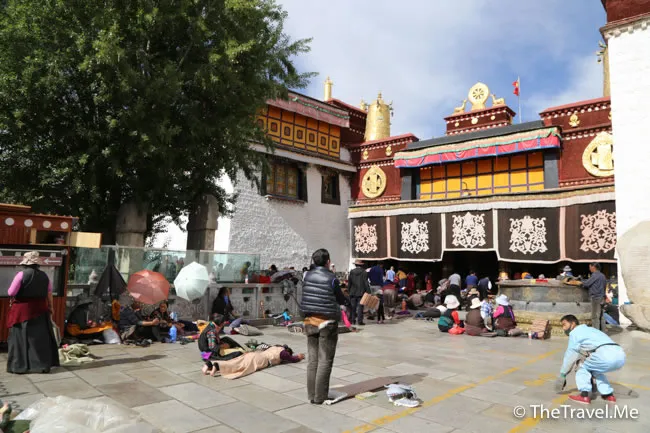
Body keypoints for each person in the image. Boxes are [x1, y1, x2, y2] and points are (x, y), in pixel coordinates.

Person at [301, 248, 346, 405]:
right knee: (325, 360)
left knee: (312, 360)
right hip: (327, 322)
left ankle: (312, 395)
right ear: (328, 261)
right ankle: (320, 396)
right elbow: (340, 298)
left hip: (309, 321)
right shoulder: (332, 278)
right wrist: (346, 303)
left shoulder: (306, 275)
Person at [6, 251, 60, 374]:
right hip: (40, 310)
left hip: (22, 312)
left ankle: (18, 366)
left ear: (25, 263)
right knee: (39, 339)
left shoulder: (21, 275)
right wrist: (51, 307)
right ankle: (41, 366)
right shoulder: (45, 276)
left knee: (20, 339)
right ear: (37, 264)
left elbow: (11, 292)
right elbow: (49, 293)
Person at [555, 314, 625, 404]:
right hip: (620, 355)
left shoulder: (575, 333)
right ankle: (608, 394)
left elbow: (571, 355)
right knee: (595, 370)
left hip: (605, 354)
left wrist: (563, 374)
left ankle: (584, 395)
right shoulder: (591, 329)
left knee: (580, 366)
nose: (563, 328)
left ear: (572, 324)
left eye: (564, 324)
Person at [205, 344, 305, 379]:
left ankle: (211, 365)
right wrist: (299, 357)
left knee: (236, 362)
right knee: (239, 367)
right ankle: (217, 366)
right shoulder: (283, 352)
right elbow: (292, 359)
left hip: (254, 354)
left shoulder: (274, 347)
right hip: (260, 359)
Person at [582, 263, 607, 331]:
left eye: (590, 267)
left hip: (596, 298)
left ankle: (596, 333)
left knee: (595, 317)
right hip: (602, 297)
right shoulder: (602, 275)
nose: (589, 268)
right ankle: (603, 332)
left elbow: (587, 284)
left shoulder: (595, 275)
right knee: (601, 316)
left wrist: (580, 282)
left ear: (593, 267)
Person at [347, 259, 370, 326]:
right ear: (361, 265)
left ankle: (352, 320)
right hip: (361, 292)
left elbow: (349, 282)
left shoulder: (352, 272)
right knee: (360, 307)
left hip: (352, 292)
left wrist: (348, 290)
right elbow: (366, 283)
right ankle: (360, 321)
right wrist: (368, 291)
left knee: (352, 307)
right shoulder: (364, 272)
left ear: (355, 265)